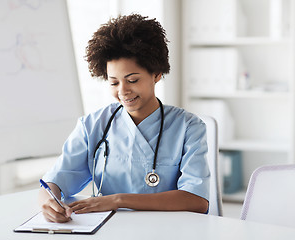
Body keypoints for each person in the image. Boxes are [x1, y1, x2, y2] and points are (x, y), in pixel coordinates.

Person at [39, 14, 210, 223]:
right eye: (114, 83)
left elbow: (197, 199)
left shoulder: (188, 127)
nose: (123, 91)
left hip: (169, 230)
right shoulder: (92, 126)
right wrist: (48, 202)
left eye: (132, 80)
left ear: (156, 74)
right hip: (109, 230)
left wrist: (118, 200)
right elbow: (54, 182)